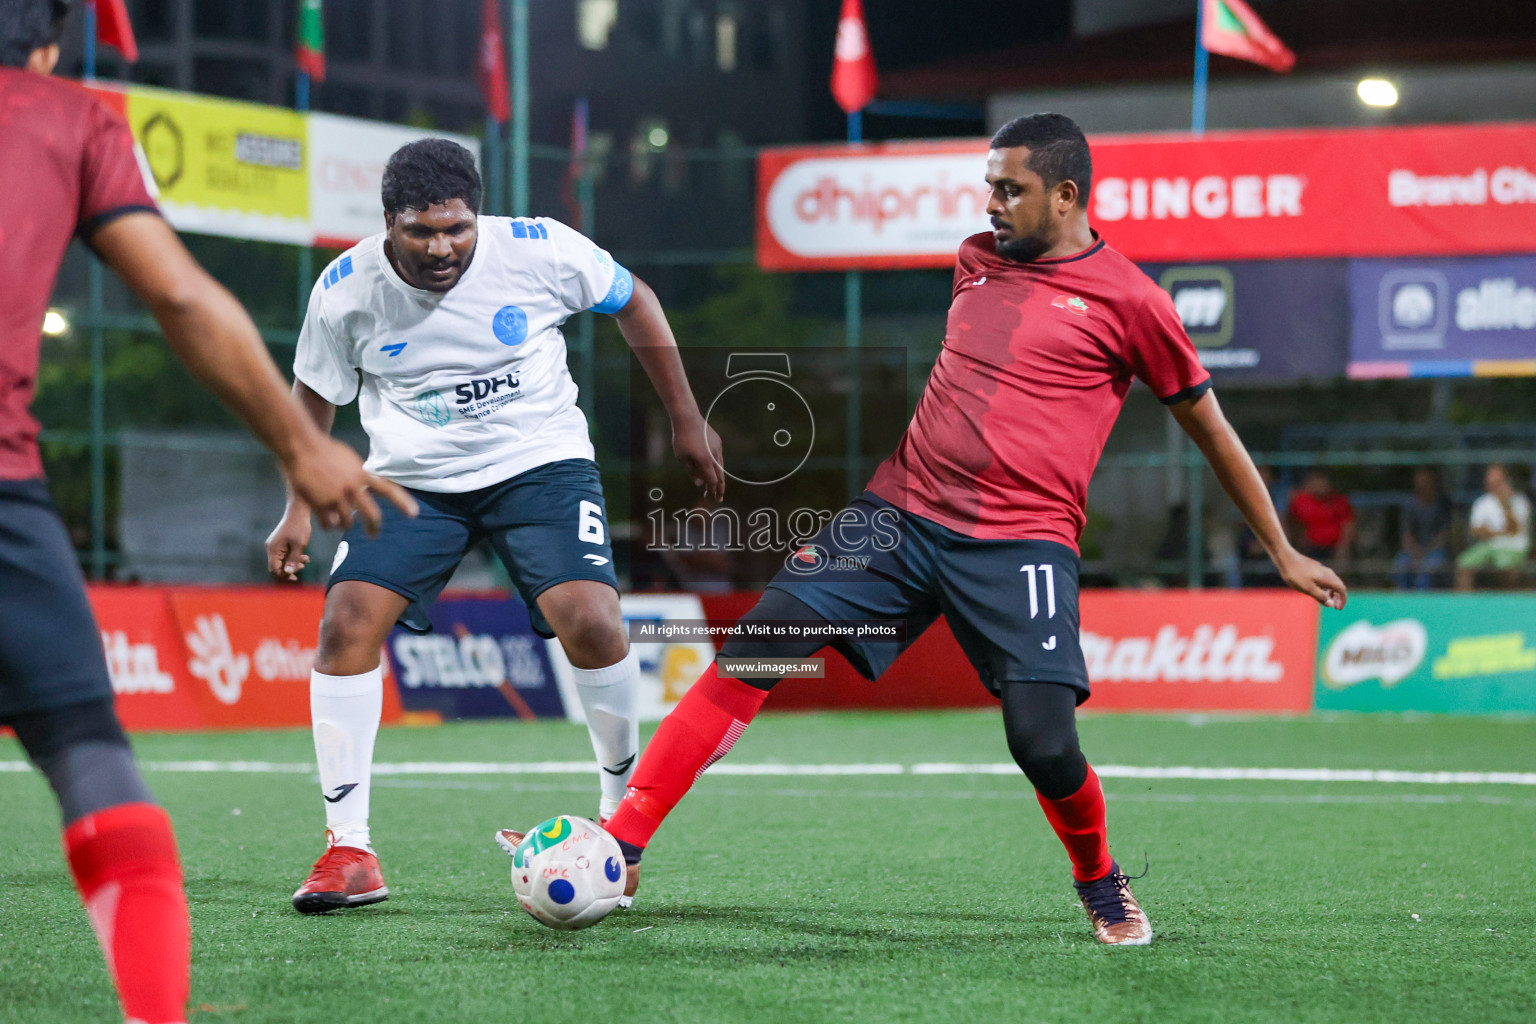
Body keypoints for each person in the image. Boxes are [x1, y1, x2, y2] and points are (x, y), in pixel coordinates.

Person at [504, 114, 1348, 947]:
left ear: (1065, 195)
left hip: (1022, 543)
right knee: (759, 644)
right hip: (899, 516)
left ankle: (1101, 879)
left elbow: (1211, 428)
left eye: (1008, 189)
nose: (989, 202)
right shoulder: (976, 262)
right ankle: (628, 838)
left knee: (1044, 744)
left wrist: (1279, 547)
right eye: (987, 184)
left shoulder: (1134, 301)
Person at [0, 4, 415, 1023]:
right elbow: (181, 297)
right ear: (49, 45)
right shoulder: (70, 117)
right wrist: (302, 445)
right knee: (94, 765)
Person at [265, 139, 724, 914]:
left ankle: (619, 829)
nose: (441, 247)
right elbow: (314, 397)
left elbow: (634, 297)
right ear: (389, 224)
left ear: (477, 215)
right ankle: (350, 850)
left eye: (456, 228)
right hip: (411, 481)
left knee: (593, 620)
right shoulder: (344, 290)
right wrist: (297, 506)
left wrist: (687, 418)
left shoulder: (539, 249)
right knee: (345, 626)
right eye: (421, 232)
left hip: (539, 462)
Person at [1454, 463, 1530, 590]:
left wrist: (1506, 505)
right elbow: (1476, 530)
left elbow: (1514, 530)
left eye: (1498, 482)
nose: (1494, 485)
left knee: (1505, 566)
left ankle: (1508, 604)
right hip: (1488, 545)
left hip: (1513, 547)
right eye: (1491, 482)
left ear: (1506, 482)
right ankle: (1464, 605)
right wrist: (1499, 532)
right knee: (1463, 564)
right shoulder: (1482, 502)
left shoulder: (1519, 501)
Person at [1394, 467, 1452, 589]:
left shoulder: (1442, 504)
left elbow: (1444, 534)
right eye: (1420, 483)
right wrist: (1415, 552)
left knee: (1430, 566)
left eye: (1426, 483)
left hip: (1435, 550)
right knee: (1401, 564)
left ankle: (1422, 599)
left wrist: (1426, 552)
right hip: (1413, 551)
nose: (1423, 486)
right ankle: (1403, 598)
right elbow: (1406, 535)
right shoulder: (1410, 504)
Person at [1286, 469, 1355, 564]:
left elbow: (1348, 525)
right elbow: (1293, 523)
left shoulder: (1339, 500)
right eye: (1318, 481)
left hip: (1334, 548)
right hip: (1310, 548)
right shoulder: (1300, 500)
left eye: (1324, 481)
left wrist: (1343, 547)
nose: (1322, 484)